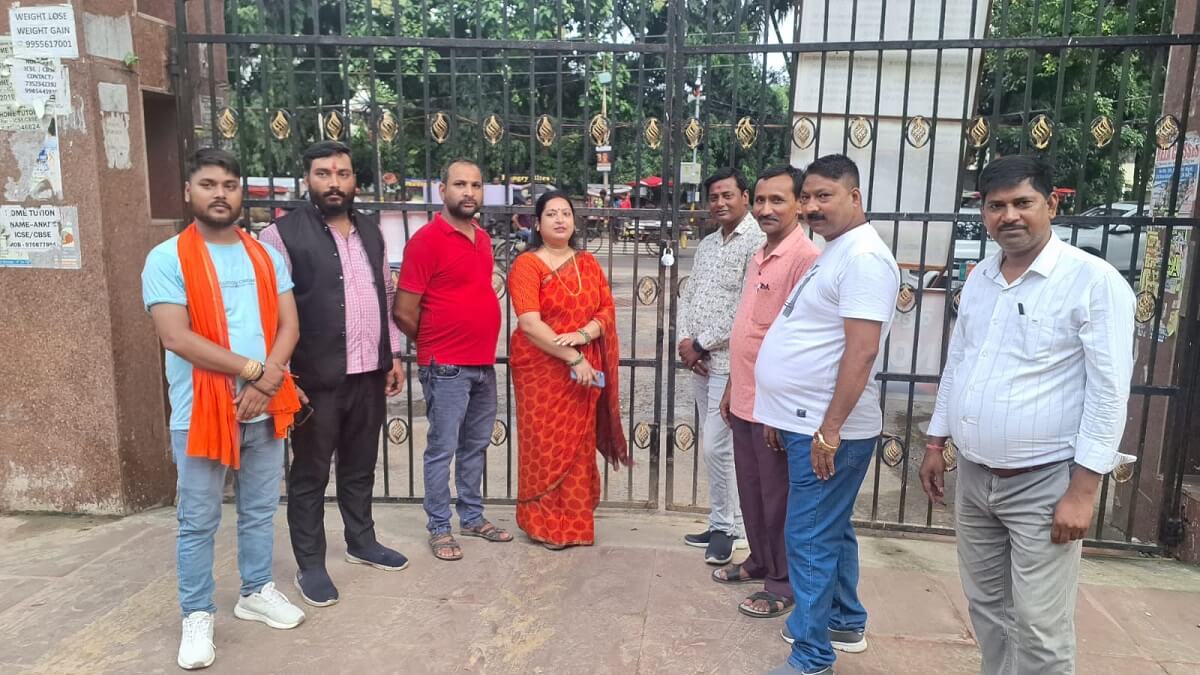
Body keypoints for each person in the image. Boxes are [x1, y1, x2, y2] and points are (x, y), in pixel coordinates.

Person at [919, 156, 1135, 675]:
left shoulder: (1092, 281)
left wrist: (1083, 491)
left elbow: (1109, 391)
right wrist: (935, 441)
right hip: (976, 478)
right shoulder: (981, 277)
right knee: (989, 609)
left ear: (1051, 205)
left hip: (1044, 483)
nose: (1009, 216)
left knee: (1040, 625)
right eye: (997, 206)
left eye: (1023, 203)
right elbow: (959, 362)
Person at [142, 148, 306, 670]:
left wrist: (268, 378)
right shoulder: (167, 258)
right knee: (198, 520)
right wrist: (255, 370)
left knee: (259, 509)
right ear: (188, 192)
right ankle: (197, 613)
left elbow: (288, 326)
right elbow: (176, 337)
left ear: (240, 193)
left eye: (230, 185)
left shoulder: (265, 255)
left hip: (264, 405)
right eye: (208, 184)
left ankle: (255, 590)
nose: (220, 194)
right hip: (201, 412)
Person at [759, 155, 900, 675]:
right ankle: (842, 620)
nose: (813, 206)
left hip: (828, 429)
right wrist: (780, 410)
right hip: (805, 421)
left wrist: (830, 430)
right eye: (807, 197)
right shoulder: (836, 250)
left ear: (854, 197)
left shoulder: (864, 258)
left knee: (810, 537)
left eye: (825, 196)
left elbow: (861, 352)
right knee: (830, 529)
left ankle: (812, 654)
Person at [258, 141, 409, 609]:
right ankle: (311, 564)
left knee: (360, 466)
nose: (334, 182)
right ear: (308, 179)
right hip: (314, 377)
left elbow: (385, 295)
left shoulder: (371, 232)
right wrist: (282, 373)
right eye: (323, 173)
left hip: (369, 372)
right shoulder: (280, 236)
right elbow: (272, 311)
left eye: (343, 173)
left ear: (354, 180)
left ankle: (362, 542)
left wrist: (393, 354)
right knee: (310, 473)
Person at [714, 165, 820, 619]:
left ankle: (781, 581)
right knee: (752, 490)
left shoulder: (804, 259)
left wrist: (780, 409)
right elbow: (748, 330)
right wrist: (731, 385)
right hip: (745, 396)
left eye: (777, 200)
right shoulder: (761, 254)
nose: (765, 209)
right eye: (760, 200)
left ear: (799, 204)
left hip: (773, 406)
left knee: (778, 499)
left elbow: (800, 341)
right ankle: (759, 559)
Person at [394, 159, 512, 561]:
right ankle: (440, 527)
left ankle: (472, 517)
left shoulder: (482, 239)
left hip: (482, 363)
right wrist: (434, 343)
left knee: (475, 445)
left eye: (476, 185)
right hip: (445, 365)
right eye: (460, 184)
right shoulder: (426, 241)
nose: (469, 192)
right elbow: (403, 311)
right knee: (442, 448)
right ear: (442, 190)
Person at [508, 191, 631, 549]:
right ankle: (543, 524)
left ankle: (574, 524)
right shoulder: (527, 265)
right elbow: (530, 324)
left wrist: (584, 335)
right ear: (537, 223)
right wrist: (574, 358)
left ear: (575, 222)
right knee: (544, 446)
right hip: (542, 369)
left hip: (582, 369)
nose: (560, 219)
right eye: (551, 214)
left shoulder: (587, 262)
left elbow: (606, 309)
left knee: (578, 444)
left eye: (566, 213)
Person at [677, 167, 766, 564]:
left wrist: (701, 343)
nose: (720, 203)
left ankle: (728, 529)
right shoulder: (709, 243)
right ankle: (724, 523)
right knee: (714, 445)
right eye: (714, 196)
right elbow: (691, 294)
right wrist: (686, 343)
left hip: (731, 362)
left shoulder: (757, 243)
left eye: (727, 195)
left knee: (717, 445)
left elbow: (747, 307)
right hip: (702, 361)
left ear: (744, 197)